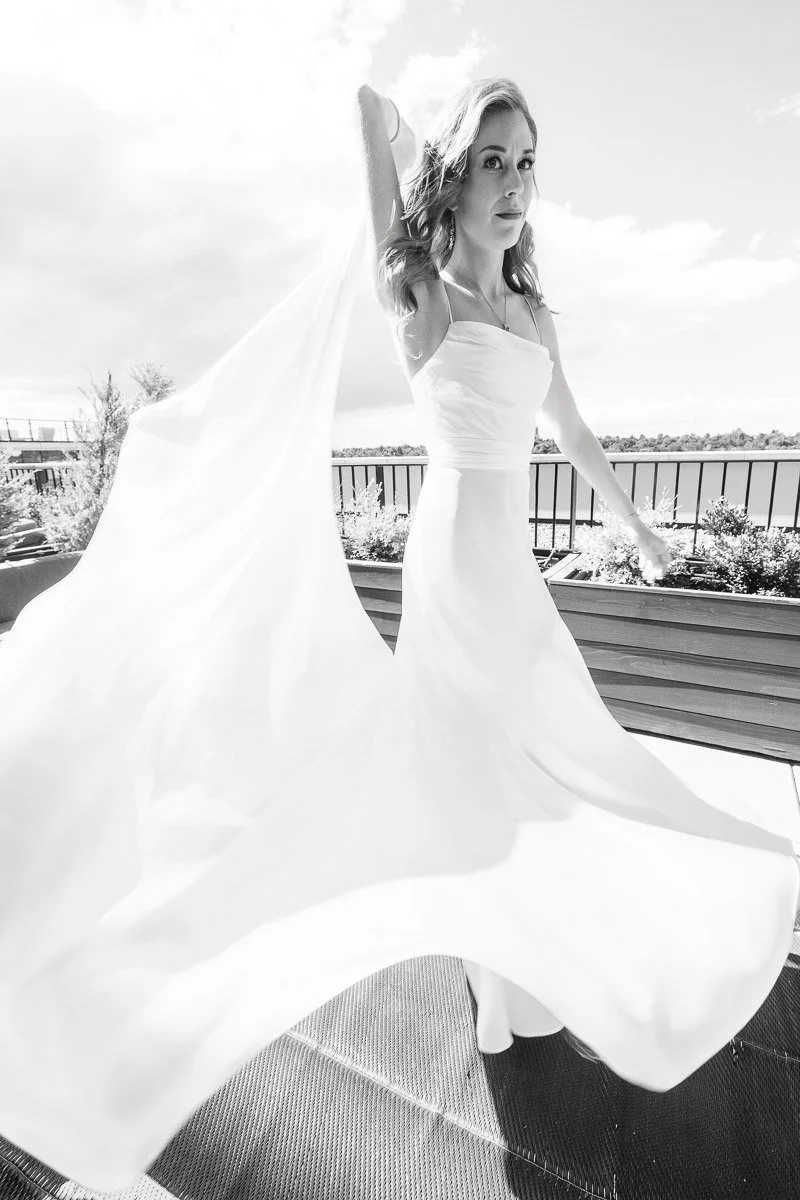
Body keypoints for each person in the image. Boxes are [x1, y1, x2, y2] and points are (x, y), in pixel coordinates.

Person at [0, 76, 797, 1192]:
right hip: (452, 568)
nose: (515, 185)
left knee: (561, 753)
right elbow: (370, 107)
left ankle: (530, 970)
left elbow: (571, 430)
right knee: (483, 769)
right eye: (493, 162)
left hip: (509, 570)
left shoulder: (531, 313)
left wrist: (640, 531)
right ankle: (519, 973)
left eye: (526, 163)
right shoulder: (415, 289)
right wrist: (428, 150)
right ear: (458, 179)